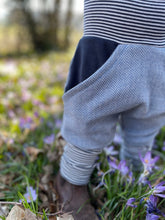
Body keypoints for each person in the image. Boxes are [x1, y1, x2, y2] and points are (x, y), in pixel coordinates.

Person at [55, 0, 165, 219]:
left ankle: (135, 174)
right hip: (108, 33)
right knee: (89, 111)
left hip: (160, 48)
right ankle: (71, 181)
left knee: (149, 117)